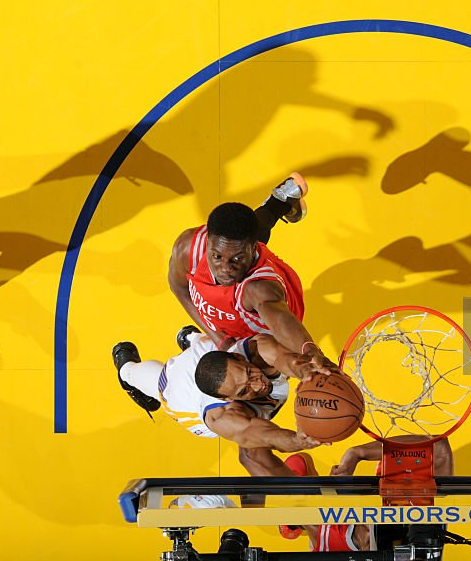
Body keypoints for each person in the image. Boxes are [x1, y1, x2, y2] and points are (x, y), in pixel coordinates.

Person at [167, 173, 331, 370]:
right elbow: (178, 286)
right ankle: (278, 202)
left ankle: (277, 204)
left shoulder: (259, 286)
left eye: (237, 259)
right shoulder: (189, 247)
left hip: (269, 328)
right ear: (208, 241)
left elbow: (278, 318)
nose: (226, 268)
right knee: (241, 233)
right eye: (217, 256)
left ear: (255, 249)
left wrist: (309, 350)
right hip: (230, 323)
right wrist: (218, 338)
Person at [112, 325, 329, 459]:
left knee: (213, 339)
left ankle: (190, 338)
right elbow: (266, 436)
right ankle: (126, 370)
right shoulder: (222, 417)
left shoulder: (254, 350)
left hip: (207, 351)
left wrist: (304, 369)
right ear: (226, 399)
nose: (258, 385)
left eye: (250, 373)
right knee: (159, 380)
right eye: (244, 391)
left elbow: (284, 357)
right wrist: (299, 441)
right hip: (177, 387)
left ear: (240, 358)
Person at [254, 437, 454, 552]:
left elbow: (440, 447)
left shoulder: (386, 476)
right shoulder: (321, 533)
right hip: (406, 530)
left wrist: (356, 453)